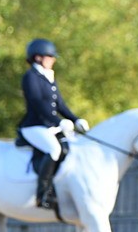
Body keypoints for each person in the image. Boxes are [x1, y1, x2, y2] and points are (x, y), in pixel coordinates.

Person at [17, 38, 89, 210]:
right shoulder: (30, 77)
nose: (53, 60)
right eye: (50, 57)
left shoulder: (48, 77)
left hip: (49, 125)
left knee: (69, 145)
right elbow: (38, 103)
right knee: (54, 149)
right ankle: (42, 194)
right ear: (38, 58)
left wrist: (75, 119)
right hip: (33, 126)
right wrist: (59, 121)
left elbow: (60, 105)